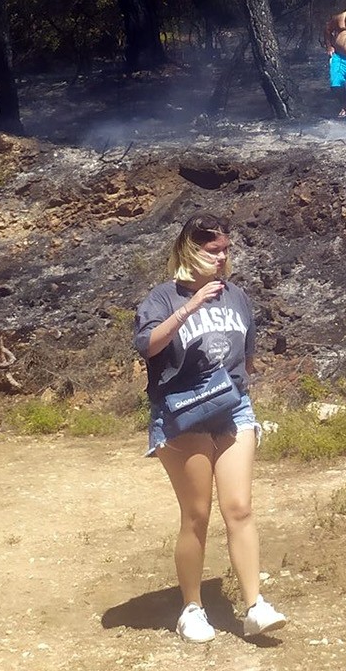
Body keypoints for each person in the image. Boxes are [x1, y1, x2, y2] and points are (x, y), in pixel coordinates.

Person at [133, 213, 288, 643]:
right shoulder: (162, 297)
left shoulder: (237, 296)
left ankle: (254, 606)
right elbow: (147, 345)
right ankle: (192, 608)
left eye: (225, 250)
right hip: (183, 413)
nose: (220, 258)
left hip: (233, 408)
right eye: (211, 250)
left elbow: (247, 356)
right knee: (196, 514)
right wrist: (191, 305)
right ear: (189, 249)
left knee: (239, 508)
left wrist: (241, 388)